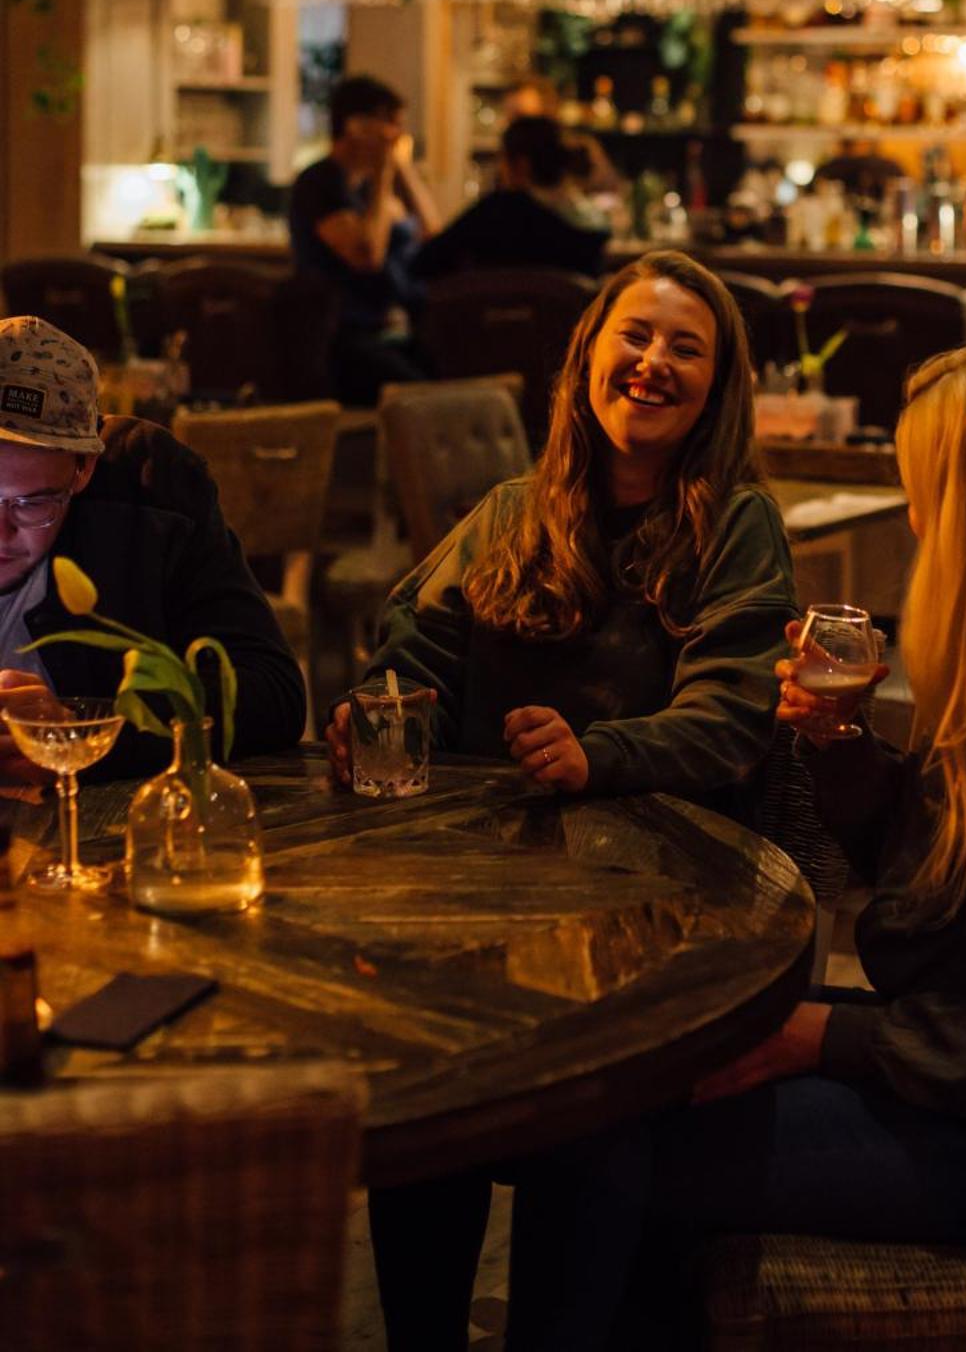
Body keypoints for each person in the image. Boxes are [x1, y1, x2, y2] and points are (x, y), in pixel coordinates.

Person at [475, 341, 966, 1352]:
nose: (915, 522)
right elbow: (931, 884)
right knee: (619, 1076)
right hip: (948, 1055)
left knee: (600, 1143)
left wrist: (827, 1038)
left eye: (924, 496)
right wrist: (837, 746)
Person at [324, 250, 797, 1350]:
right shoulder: (507, 513)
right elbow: (413, 660)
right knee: (426, 1094)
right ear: (588, 357)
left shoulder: (736, 525)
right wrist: (377, 715)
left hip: (664, 916)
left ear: (717, 386)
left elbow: (734, 719)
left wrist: (599, 752)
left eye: (686, 346)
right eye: (635, 336)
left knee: (589, 1117)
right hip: (488, 905)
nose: (653, 361)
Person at [0, 317, 306, 790]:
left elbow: (271, 693)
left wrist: (78, 732)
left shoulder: (151, 492)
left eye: (31, 503)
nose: (0, 532)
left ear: (83, 470)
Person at [287, 73, 441, 405]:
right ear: (355, 126)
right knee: (425, 398)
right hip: (343, 338)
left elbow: (434, 238)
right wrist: (385, 173)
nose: (398, 136)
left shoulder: (371, 189)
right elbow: (367, 254)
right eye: (391, 125)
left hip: (396, 330)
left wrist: (401, 169)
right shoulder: (319, 182)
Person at [411, 113, 609, 281]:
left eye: (502, 159)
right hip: (565, 327)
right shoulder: (592, 225)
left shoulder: (496, 212)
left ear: (521, 165)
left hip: (483, 326)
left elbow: (422, 265)